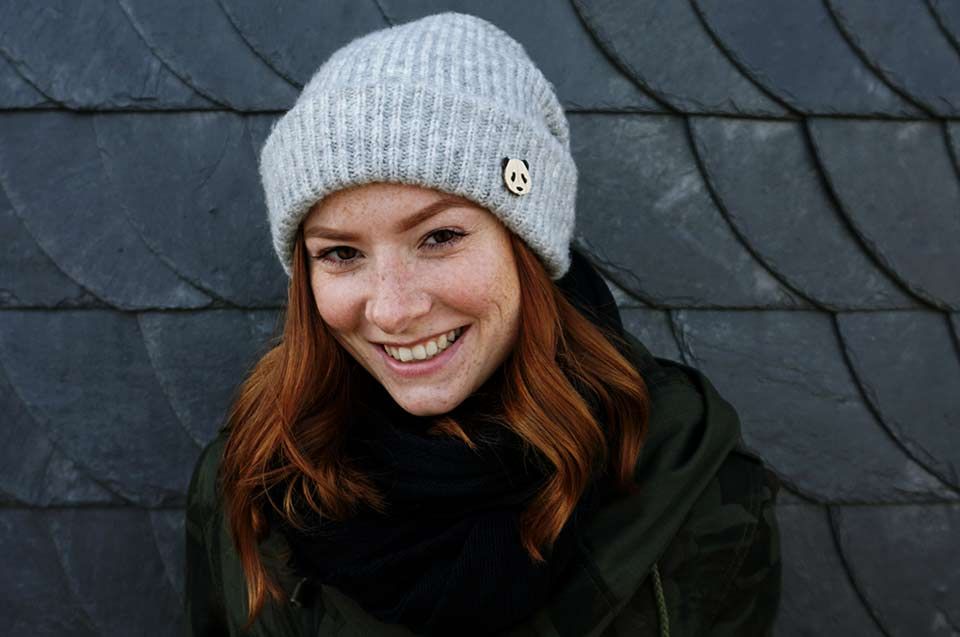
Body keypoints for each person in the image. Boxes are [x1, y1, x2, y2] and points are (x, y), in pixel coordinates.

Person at [184, 11, 782, 637]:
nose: (392, 309)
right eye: (340, 253)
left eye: (440, 237)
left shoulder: (690, 483)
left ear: (527, 245)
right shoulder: (250, 477)